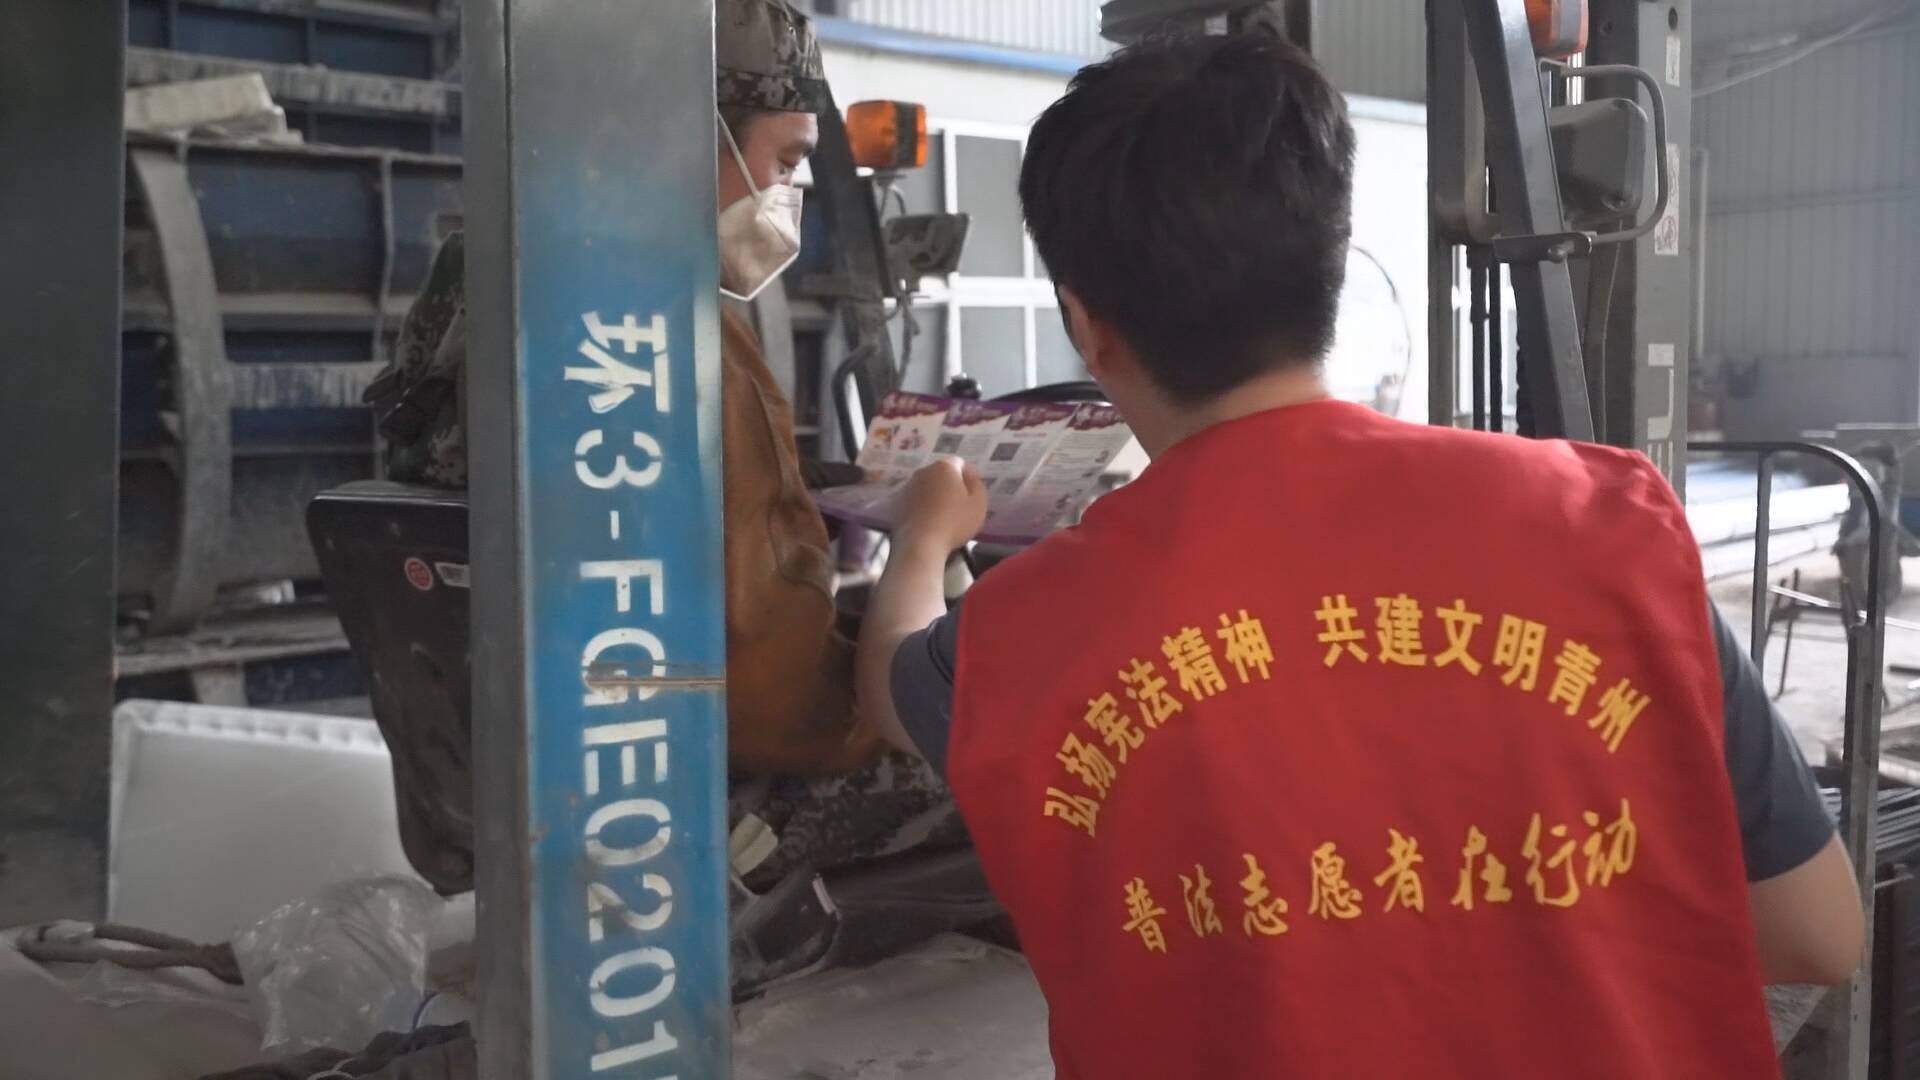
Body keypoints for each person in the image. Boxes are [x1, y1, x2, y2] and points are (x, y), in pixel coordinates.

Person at [857, 33, 1864, 1078]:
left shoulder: (1026, 630)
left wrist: (926, 537)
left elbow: (893, 684)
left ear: (1085, 323)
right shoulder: (1608, 527)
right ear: (1334, 267)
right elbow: (1818, 934)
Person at [366, 0, 954, 881]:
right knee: (1006, 740)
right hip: (687, 809)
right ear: (678, 135)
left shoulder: (480, 286)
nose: (788, 192)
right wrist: (925, 543)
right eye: (786, 161)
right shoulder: (676, 341)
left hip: (519, 786)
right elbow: (785, 706)